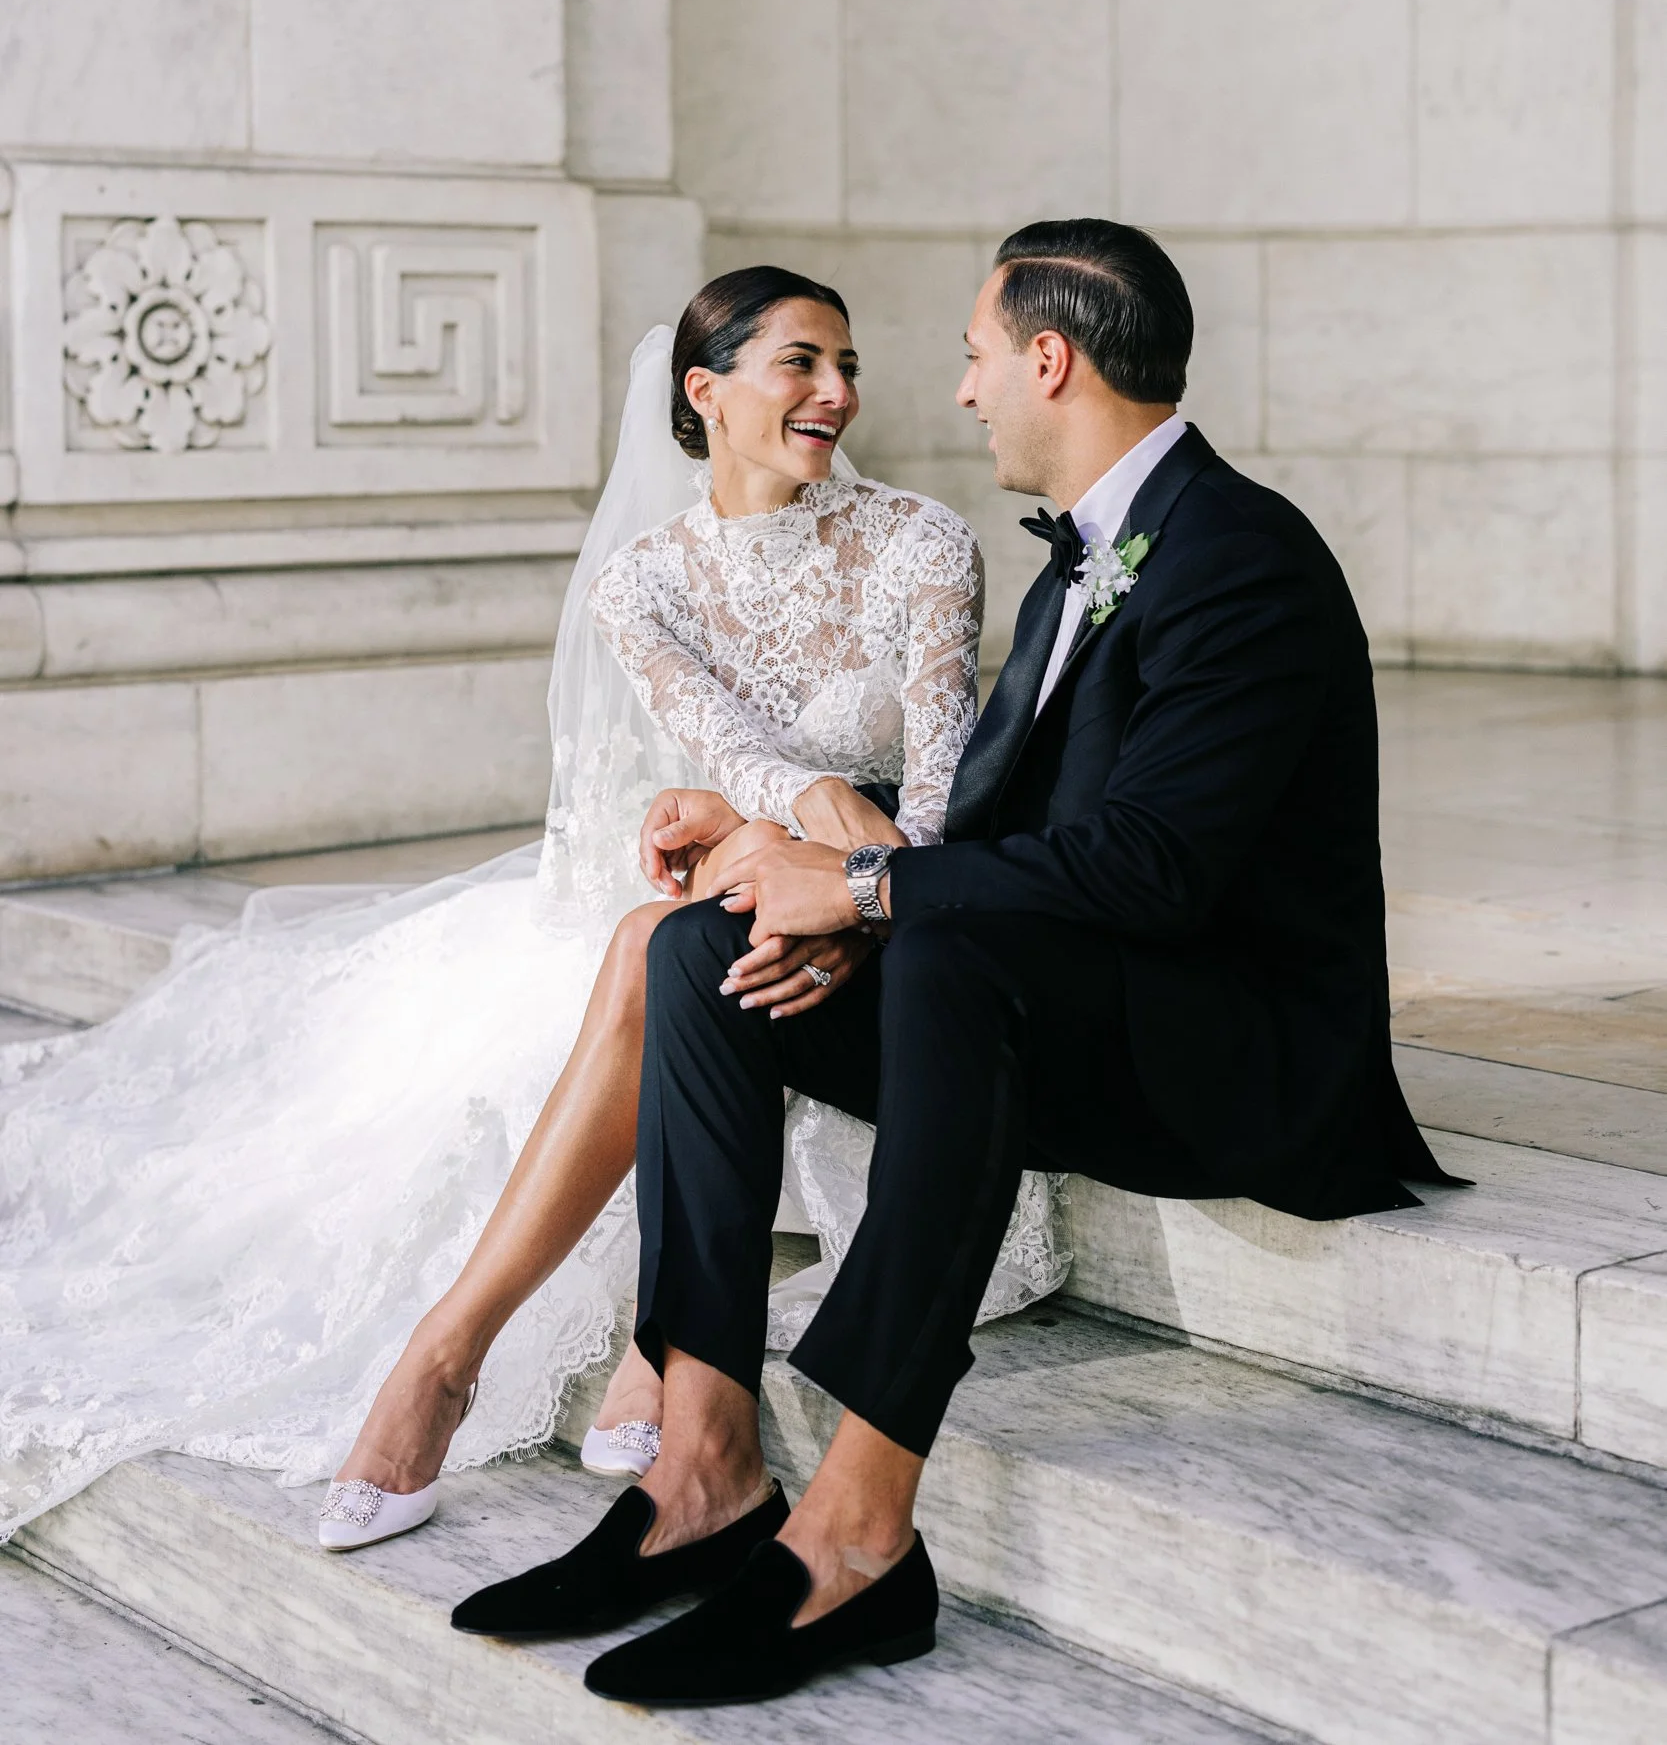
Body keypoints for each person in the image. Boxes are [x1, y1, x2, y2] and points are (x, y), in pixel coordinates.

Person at [450, 218, 1457, 1707]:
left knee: (938, 953)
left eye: (978, 358)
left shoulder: (1240, 556)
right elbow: (988, 836)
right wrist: (774, 861)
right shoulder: (1073, 573)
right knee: (695, 959)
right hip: (1086, 1010)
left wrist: (861, 885)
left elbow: (1147, 870)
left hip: (1242, 1063)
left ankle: (857, 1530)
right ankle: (702, 1463)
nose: (963, 391)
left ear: (1049, 356)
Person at [0, 268, 1068, 1548]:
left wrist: (813, 871)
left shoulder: (921, 542)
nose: (836, 392)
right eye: (798, 363)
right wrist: (785, 825)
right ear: (704, 389)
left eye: (846, 364)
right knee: (658, 934)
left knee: (659, 940)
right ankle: (500, 1348)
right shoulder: (644, 582)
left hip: (874, 889)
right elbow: (736, 753)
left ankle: (537, 1344)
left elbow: (938, 810)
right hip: (771, 876)